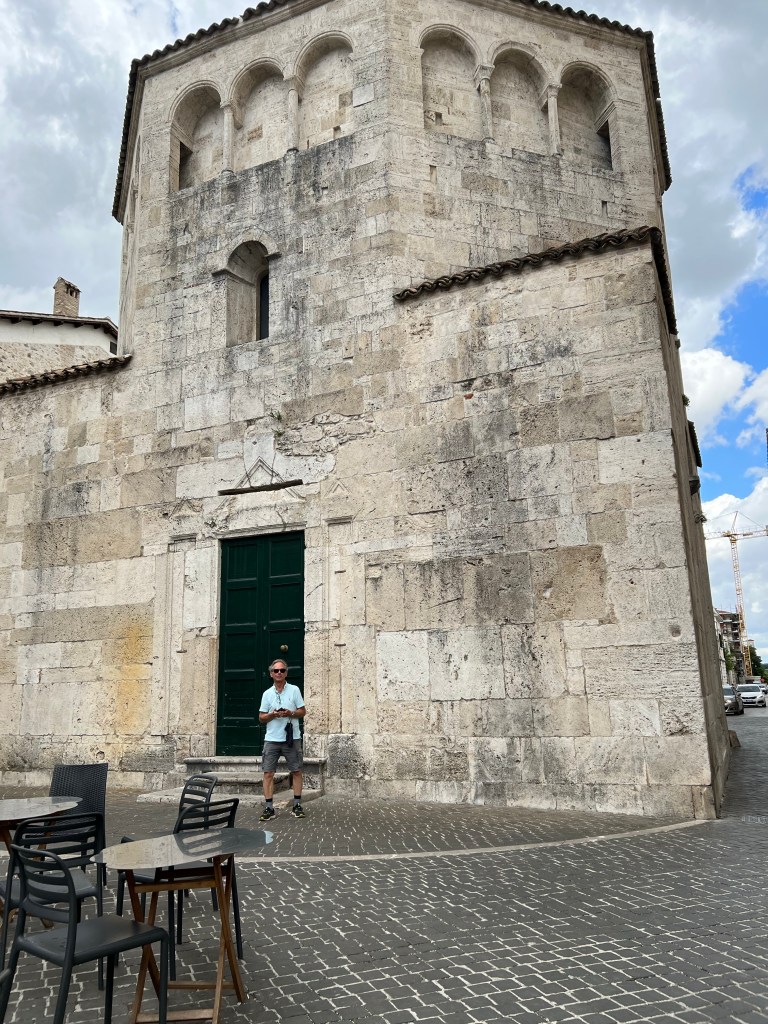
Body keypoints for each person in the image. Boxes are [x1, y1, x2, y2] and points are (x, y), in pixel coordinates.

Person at [258, 658, 306, 820]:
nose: (279, 673)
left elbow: (302, 711)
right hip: (272, 738)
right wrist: (272, 715)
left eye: (282, 670)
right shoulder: (267, 694)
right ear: (271, 674)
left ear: (286, 673)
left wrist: (290, 713)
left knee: (296, 771)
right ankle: (269, 807)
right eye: (276, 671)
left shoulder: (294, 690)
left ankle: (297, 805)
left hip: (291, 738)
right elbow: (261, 717)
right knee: (268, 773)